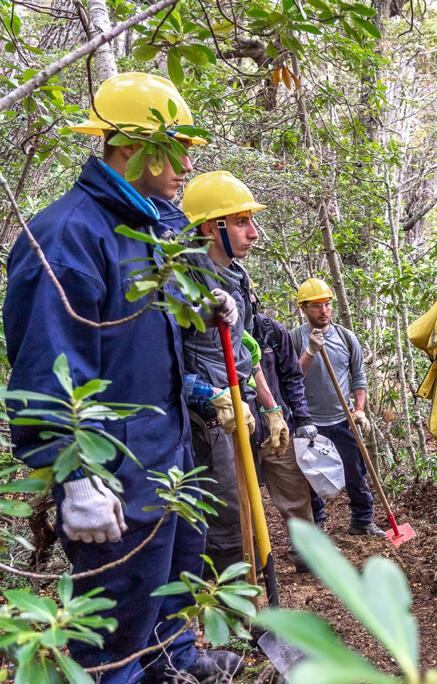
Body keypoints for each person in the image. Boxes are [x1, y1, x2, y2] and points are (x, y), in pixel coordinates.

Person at [3, 72, 240, 682]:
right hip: (114, 474)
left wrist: (200, 311)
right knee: (112, 638)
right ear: (131, 149)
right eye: (177, 147)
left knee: (168, 589)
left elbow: (141, 344)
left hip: (169, 458)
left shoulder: (152, 229)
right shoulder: (67, 236)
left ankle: (175, 663)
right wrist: (76, 475)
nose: (188, 162)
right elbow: (47, 366)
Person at [179, 170, 282, 574]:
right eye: (242, 222)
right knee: (225, 518)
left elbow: (246, 347)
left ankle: (254, 602)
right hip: (208, 420)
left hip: (242, 406)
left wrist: (271, 407)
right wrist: (207, 395)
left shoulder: (236, 276)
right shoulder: (182, 278)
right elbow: (161, 360)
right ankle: (231, 617)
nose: (254, 233)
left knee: (250, 506)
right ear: (211, 225)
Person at [290, 278, 385, 537]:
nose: (324, 311)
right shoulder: (295, 339)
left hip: (343, 418)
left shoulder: (345, 337)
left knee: (355, 470)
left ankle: (362, 521)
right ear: (303, 309)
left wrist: (360, 410)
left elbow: (359, 377)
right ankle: (318, 527)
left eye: (327, 304)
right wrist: (310, 350)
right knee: (312, 477)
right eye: (316, 306)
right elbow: (293, 377)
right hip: (309, 421)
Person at [250, 308, 319, 569]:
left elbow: (292, 376)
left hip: (277, 428)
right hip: (236, 429)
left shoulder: (271, 332)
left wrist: (302, 419)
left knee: (295, 496)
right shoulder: (212, 329)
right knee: (241, 498)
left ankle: (306, 555)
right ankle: (252, 561)